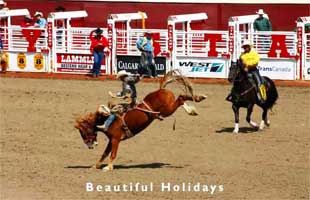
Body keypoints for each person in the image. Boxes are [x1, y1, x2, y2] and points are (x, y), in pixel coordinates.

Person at [240, 40, 266, 104]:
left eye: (246, 46)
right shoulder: (242, 55)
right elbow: (240, 63)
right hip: (245, 71)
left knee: (259, 83)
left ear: (249, 47)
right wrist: (243, 67)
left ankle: (262, 97)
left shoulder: (254, 53)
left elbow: (256, 62)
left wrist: (247, 65)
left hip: (253, 70)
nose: (245, 48)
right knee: (238, 81)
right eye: (244, 47)